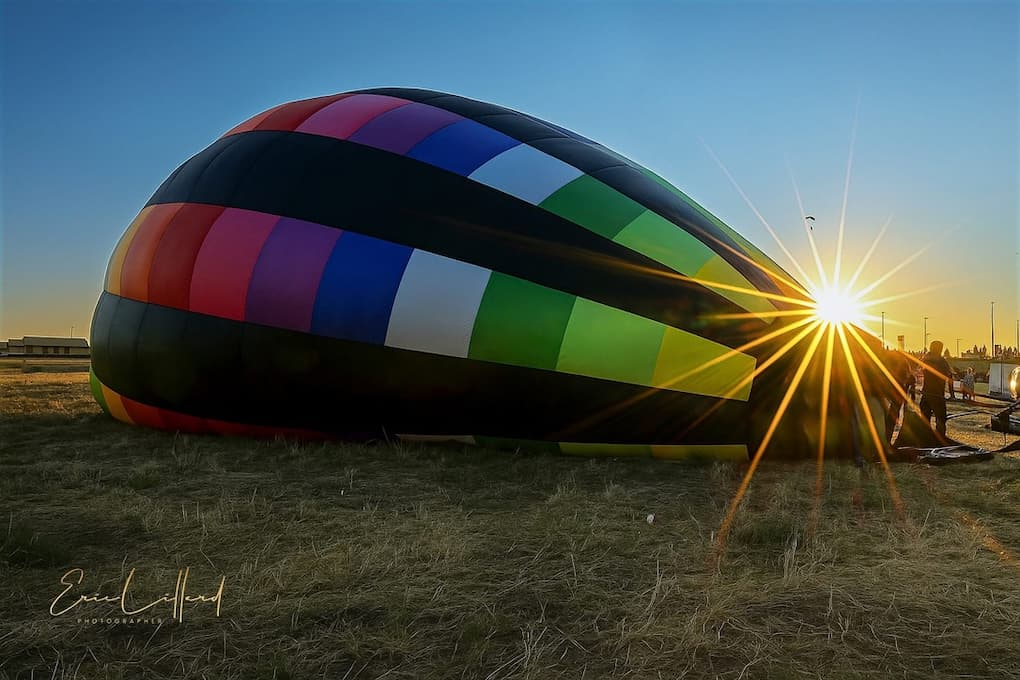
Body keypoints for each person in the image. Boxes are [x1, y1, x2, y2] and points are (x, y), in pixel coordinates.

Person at [919, 340, 952, 436]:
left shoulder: (926, 359)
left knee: (925, 419)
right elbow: (949, 378)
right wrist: (952, 394)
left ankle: (926, 437)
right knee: (941, 418)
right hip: (937, 395)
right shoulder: (942, 361)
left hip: (926, 394)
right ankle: (939, 439)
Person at [883, 349, 913, 443]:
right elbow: (909, 378)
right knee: (893, 416)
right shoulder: (903, 362)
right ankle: (887, 441)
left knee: (887, 415)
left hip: (887, 390)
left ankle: (884, 441)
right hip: (897, 391)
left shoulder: (887, 361)